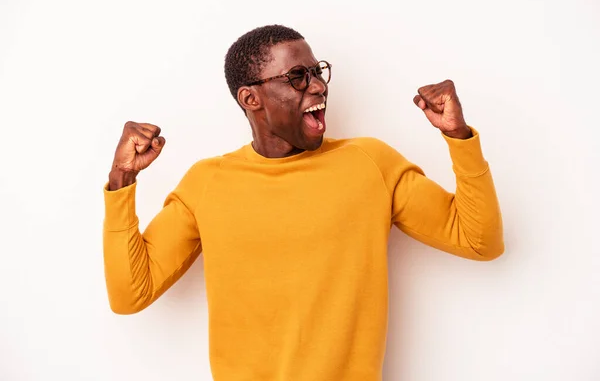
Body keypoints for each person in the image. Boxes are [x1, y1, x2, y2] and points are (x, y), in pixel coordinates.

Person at [102, 24, 504, 381]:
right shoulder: (208, 182)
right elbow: (131, 294)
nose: (317, 86)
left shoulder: (370, 163)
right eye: (297, 76)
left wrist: (459, 137)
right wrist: (122, 181)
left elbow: (478, 240)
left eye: (317, 72)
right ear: (251, 98)